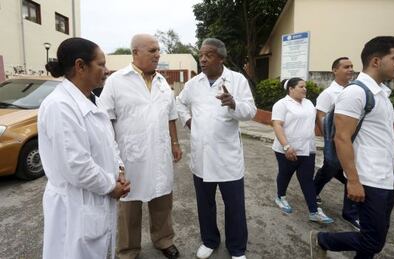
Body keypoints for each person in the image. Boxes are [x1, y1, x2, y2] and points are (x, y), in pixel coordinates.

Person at [310, 36, 394, 259]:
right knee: (373, 241)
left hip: (385, 179)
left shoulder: (381, 94)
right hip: (368, 179)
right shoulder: (356, 92)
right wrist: (353, 181)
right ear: (376, 61)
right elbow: (341, 138)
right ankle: (321, 239)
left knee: (373, 237)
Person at [38, 37, 130, 259]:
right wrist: (111, 186)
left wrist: (119, 170)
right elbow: (76, 165)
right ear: (80, 66)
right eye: (101, 64)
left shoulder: (91, 100)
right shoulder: (60, 106)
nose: (106, 71)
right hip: (76, 205)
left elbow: (109, 143)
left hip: (95, 199)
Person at [99, 34, 182, 259]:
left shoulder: (162, 82)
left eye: (158, 50)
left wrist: (175, 143)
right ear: (135, 52)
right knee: (129, 206)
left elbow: (171, 116)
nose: (158, 54)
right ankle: (128, 250)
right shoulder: (116, 82)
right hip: (129, 156)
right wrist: (110, 156)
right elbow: (105, 121)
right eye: (152, 50)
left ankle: (164, 240)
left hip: (160, 153)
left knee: (162, 200)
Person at [176, 38, 256, 259]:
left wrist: (233, 104)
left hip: (227, 158)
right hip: (201, 157)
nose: (202, 59)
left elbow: (250, 111)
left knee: (235, 206)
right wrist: (188, 121)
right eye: (201, 54)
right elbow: (179, 102)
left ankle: (237, 248)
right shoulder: (194, 84)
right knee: (205, 204)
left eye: (208, 54)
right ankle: (210, 240)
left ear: (221, 58)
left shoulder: (237, 80)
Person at [271, 77, 333, 224]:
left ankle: (314, 211)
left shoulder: (309, 103)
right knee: (285, 174)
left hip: (307, 149)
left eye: (305, 86)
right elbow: (277, 125)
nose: (305, 89)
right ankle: (280, 197)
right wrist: (286, 146)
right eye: (301, 86)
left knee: (307, 180)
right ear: (291, 89)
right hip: (287, 149)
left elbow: (314, 122)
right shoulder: (282, 104)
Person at [313, 57, 359, 229]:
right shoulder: (328, 94)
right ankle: (313, 191)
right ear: (334, 70)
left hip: (352, 141)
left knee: (348, 172)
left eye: (352, 67)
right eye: (346, 67)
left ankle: (350, 211)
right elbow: (321, 117)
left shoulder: (355, 90)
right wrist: (329, 141)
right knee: (330, 168)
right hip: (334, 141)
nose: (350, 70)